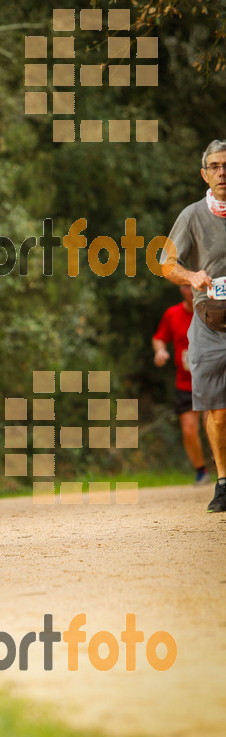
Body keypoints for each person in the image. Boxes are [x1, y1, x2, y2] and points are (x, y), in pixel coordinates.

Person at [162, 138, 226, 512]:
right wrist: (192, 275)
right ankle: (222, 482)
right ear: (205, 174)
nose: (222, 172)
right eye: (215, 166)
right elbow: (164, 263)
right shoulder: (192, 216)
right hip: (209, 324)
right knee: (216, 410)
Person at [152, 285, 209, 485]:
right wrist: (160, 351)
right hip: (185, 383)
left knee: (211, 424)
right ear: (179, 287)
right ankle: (201, 470)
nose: (190, 290)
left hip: (212, 379)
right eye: (186, 286)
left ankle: (223, 472)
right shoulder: (172, 314)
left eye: (194, 286)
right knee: (188, 429)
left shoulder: (213, 310)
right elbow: (159, 338)